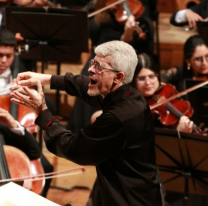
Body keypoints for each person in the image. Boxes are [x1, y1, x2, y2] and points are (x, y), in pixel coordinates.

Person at [11, 40, 164, 206]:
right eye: (93, 63)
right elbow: (86, 84)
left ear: (118, 77)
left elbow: (74, 149)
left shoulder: (118, 117)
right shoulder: (129, 94)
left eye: (98, 67)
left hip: (130, 199)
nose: (90, 69)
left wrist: (42, 113)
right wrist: (46, 79)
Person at [0, 28, 53, 198]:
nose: (3, 60)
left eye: (9, 56)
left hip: (17, 134)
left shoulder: (21, 72)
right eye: (0, 55)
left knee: (47, 168)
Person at [131, 53, 194, 133]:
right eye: (141, 78)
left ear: (157, 77)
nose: (148, 82)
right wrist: (178, 133)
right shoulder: (134, 107)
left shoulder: (167, 89)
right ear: (133, 81)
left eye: (151, 76)